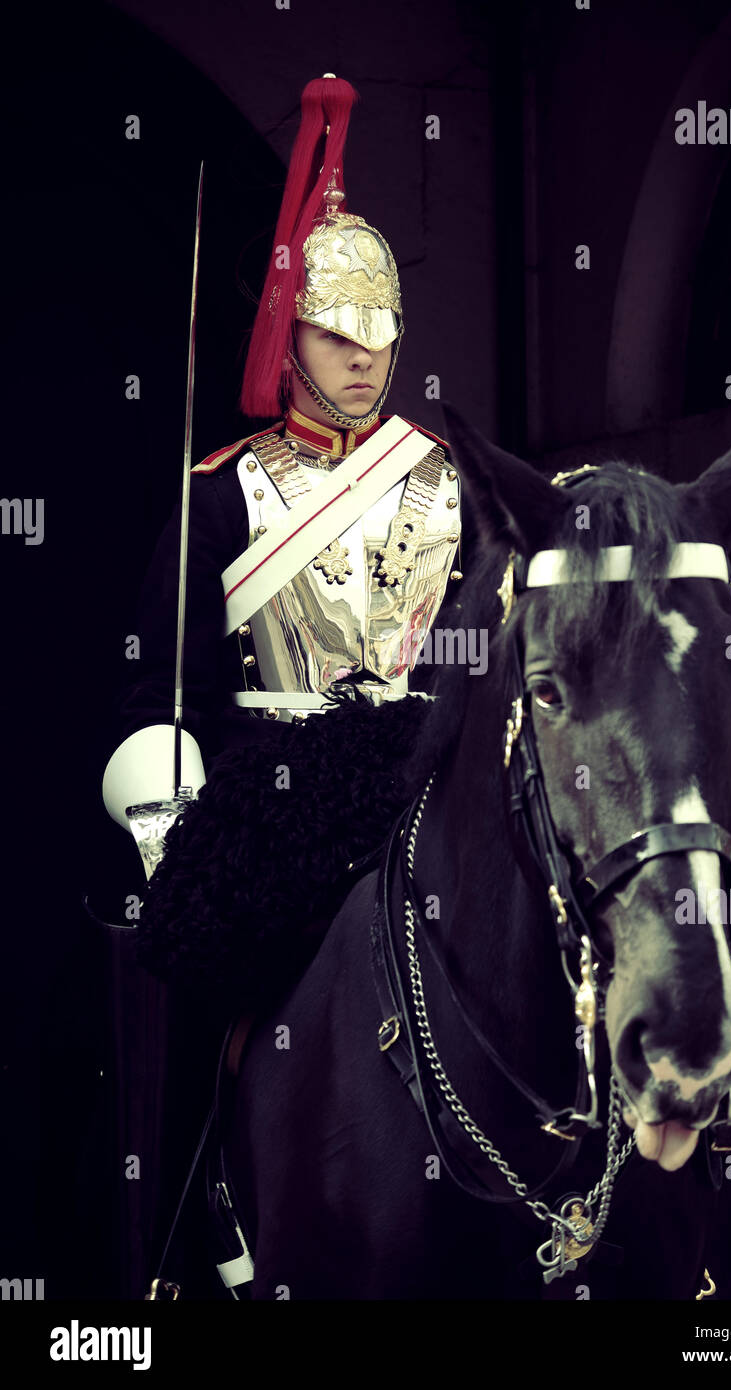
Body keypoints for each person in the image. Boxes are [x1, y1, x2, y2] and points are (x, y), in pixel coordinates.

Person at [100, 74, 464, 1008]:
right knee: (184, 1013)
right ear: (288, 334)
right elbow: (159, 691)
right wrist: (174, 839)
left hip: (425, 804)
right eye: (334, 330)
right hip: (269, 811)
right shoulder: (221, 495)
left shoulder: (448, 481)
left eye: (378, 331)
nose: (361, 354)